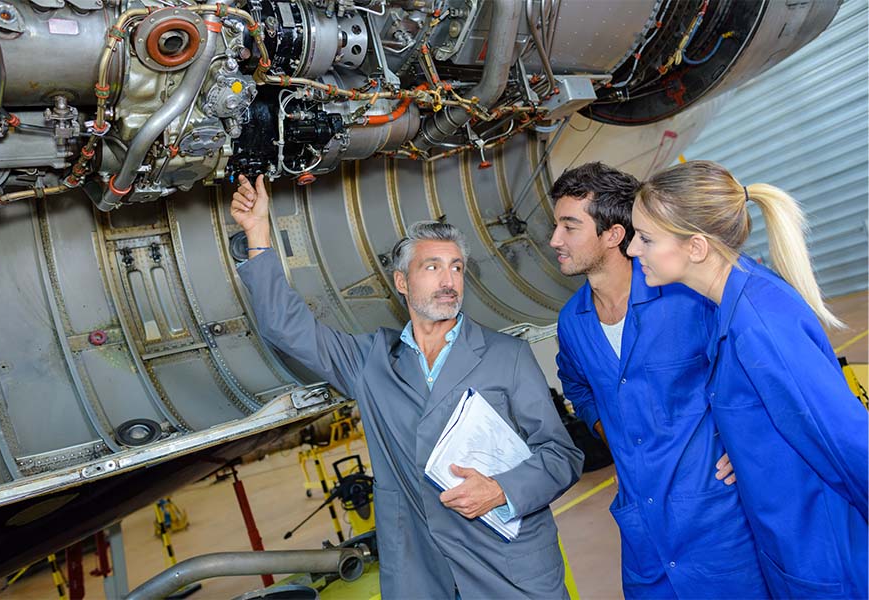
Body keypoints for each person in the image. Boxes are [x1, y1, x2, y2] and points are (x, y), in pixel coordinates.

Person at [231, 174, 583, 599]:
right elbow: (287, 328)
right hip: (422, 573)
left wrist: (501, 490)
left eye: (456, 267)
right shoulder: (369, 361)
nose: (448, 280)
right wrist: (258, 233)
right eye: (432, 267)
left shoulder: (506, 356)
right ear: (402, 283)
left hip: (509, 569)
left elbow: (561, 455)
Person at [628, 159, 868, 599]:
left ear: (696, 247)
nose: (631, 250)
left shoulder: (757, 327)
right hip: (793, 547)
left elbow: (849, 441)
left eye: (645, 238)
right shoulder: (734, 303)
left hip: (825, 560)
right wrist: (747, 444)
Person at [551, 162, 769, 599]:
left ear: (613, 235)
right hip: (643, 535)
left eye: (569, 226)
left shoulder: (687, 294)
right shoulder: (571, 323)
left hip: (718, 522)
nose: (555, 240)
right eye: (556, 225)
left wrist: (747, 438)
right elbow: (577, 386)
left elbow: (755, 367)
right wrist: (606, 430)